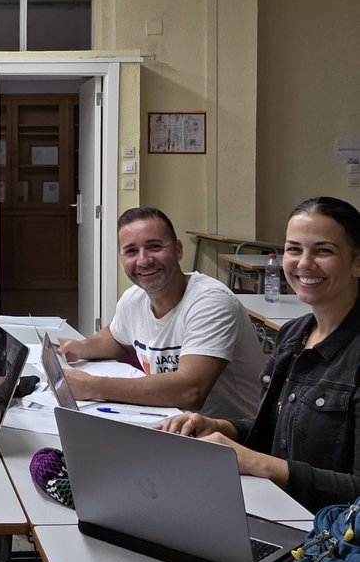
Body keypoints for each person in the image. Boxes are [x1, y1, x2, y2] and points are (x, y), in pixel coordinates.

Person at [161, 196, 360, 513]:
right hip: (275, 508)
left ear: (356, 262)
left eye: (323, 250)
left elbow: (356, 490)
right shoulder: (294, 334)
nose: (304, 263)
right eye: (294, 249)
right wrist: (218, 427)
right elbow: (276, 432)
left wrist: (253, 461)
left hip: (327, 540)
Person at [57, 206, 263, 420]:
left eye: (154, 246)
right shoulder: (134, 298)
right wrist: (80, 348)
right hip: (172, 425)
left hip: (234, 439)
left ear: (178, 250)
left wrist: (93, 387)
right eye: (131, 251)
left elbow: (190, 391)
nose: (144, 260)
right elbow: (116, 339)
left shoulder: (211, 302)